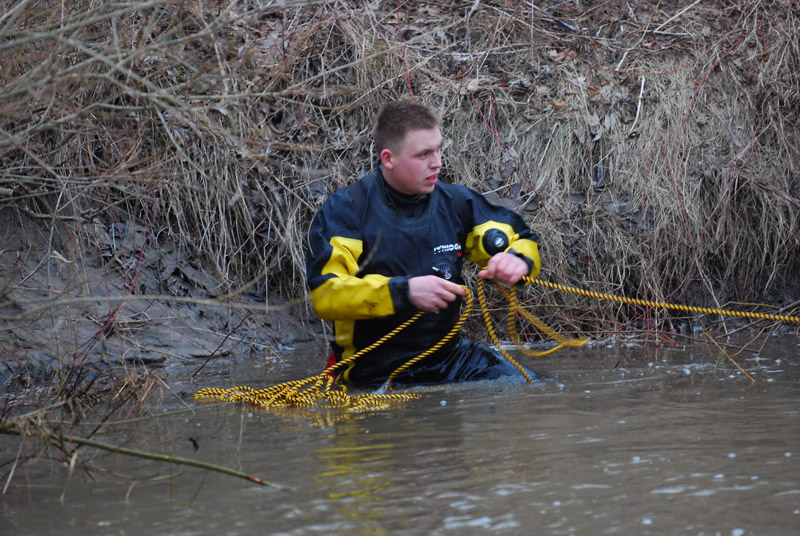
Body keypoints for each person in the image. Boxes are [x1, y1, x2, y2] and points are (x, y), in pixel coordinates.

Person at [304, 100, 541, 388]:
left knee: (535, 386)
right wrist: (404, 292)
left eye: (439, 149)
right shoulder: (348, 209)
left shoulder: (456, 203)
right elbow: (326, 295)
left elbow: (520, 238)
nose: (437, 162)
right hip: (373, 370)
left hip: (450, 360)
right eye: (424, 154)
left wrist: (517, 260)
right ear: (389, 159)